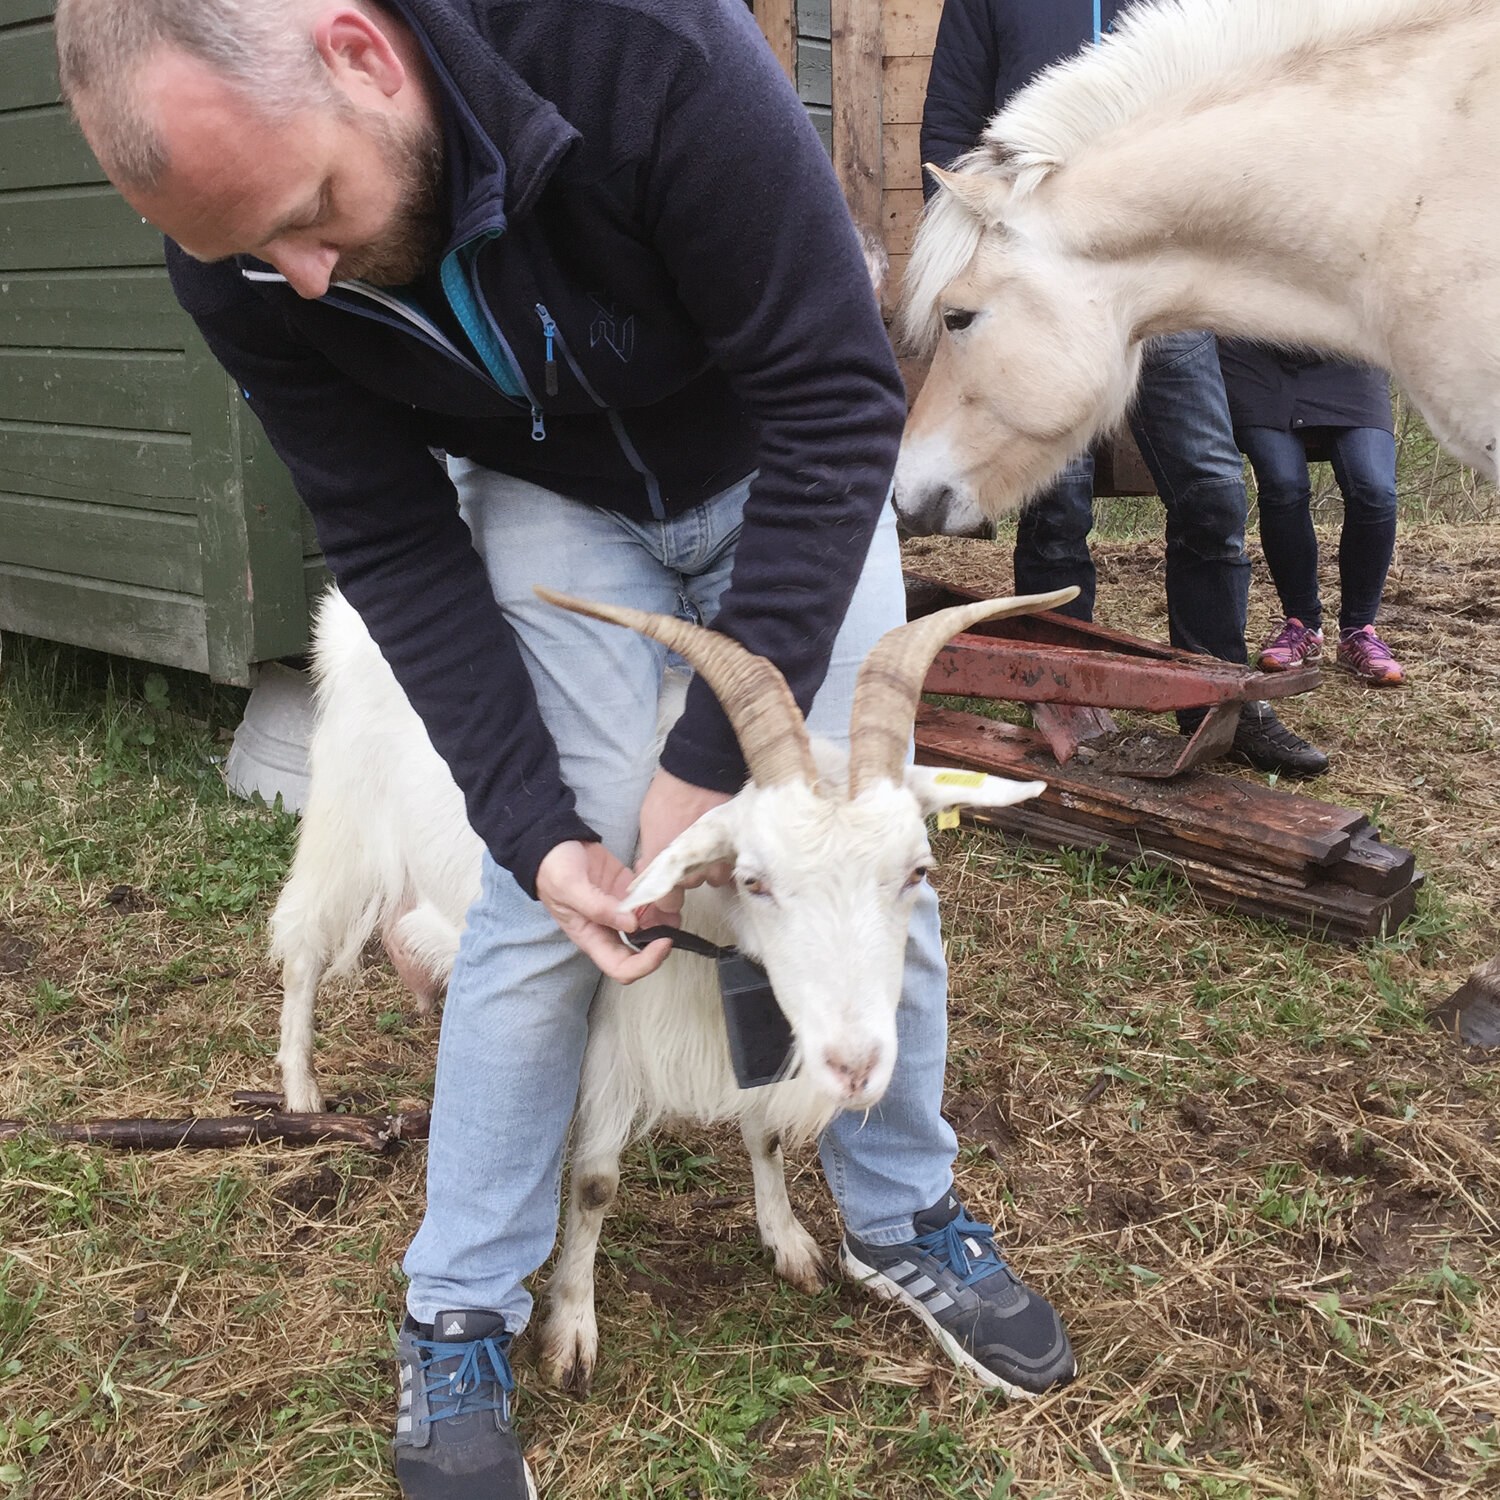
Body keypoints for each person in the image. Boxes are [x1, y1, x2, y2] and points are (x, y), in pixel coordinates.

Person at [55, 2, 1076, 1495]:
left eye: (309, 215)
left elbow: (835, 392)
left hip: (775, 457)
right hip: (558, 501)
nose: (304, 280)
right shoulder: (239, 254)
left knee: (865, 833)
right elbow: (392, 542)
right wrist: (538, 824)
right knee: (561, 889)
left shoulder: (643, 49)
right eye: (249, 257)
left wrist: (708, 777)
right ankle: (460, 1296)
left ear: (358, 52)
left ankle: (905, 1210)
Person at [920, 0, 1331, 777]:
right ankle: (1063, 692)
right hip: (1044, 287)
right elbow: (946, 130)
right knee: (1055, 506)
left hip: (1159, 288)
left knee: (1210, 488)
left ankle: (1214, 695)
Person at [1217, 341, 1405, 686]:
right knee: (1283, 485)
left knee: (1375, 491)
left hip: (1348, 354)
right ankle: (1302, 626)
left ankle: (1357, 633)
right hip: (1256, 360)